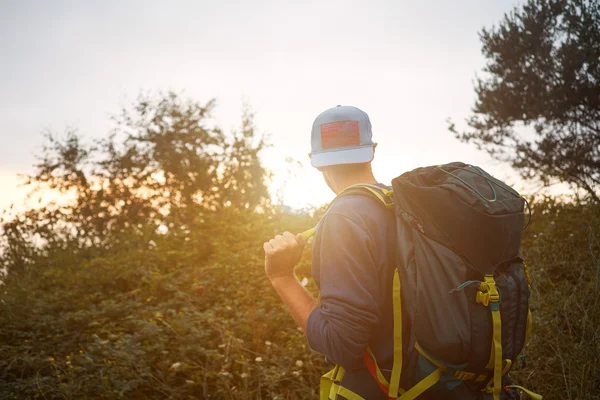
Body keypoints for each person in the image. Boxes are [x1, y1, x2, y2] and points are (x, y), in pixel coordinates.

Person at [263, 105, 397, 398]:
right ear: (372, 150)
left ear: (315, 161)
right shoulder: (403, 205)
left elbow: (342, 345)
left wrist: (282, 277)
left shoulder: (343, 218)